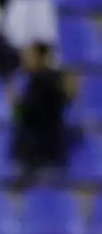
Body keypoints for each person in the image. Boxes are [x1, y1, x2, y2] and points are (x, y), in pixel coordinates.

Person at [12, 43, 73, 179]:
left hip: (42, 152)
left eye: (29, 55)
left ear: (42, 57)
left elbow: (29, 113)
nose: (25, 59)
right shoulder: (32, 80)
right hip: (39, 152)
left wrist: (16, 103)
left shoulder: (46, 81)